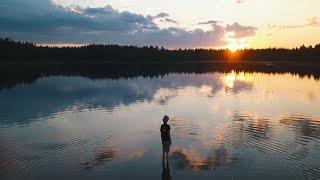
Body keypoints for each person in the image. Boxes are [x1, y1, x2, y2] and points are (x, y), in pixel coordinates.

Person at [160, 115, 172, 180]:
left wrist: (162, 140)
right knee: (167, 151)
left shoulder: (162, 126)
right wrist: (170, 140)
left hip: (163, 140)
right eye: (167, 119)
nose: (167, 120)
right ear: (166, 120)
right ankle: (167, 161)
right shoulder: (168, 126)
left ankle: (163, 161)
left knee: (164, 151)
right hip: (167, 140)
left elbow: (161, 134)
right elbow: (169, 133)